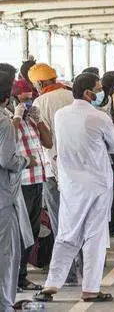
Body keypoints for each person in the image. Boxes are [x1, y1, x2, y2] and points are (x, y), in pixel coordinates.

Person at [34, 73, 114, 303]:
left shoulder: (61, 115)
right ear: (88, 93)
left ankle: (51, 285)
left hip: (70, 185)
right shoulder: (99, 117)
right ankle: (90, 288)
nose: (101, 92)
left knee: (66, 234)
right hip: (98, 184)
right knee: (95, 236)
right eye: (98, 88)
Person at [28, 63, 81, 284]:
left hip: (54, 170)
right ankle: (85, 267)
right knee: (80, 218)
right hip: (80, 168)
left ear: (40, 84)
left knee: (61, 221)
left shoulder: (40, 103)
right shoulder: (72, 97)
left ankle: (67, 273)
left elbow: (46, 141)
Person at [11, 79, 53, 292]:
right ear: (15, 96)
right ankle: (14, 277)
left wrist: (40, 121)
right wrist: (17, 117)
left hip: (38, 179)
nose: (28, 100)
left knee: (33, 230)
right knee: (20, 231)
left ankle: (22, 276)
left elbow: (48, 143)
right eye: (24, 97)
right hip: (22, 182)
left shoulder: (32, 120)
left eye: (31, 96)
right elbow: (8, 141)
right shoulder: (10, 119)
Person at [0, 71, 35, 311]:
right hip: (3, 198)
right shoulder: (4, 123)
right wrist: (26, 160)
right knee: (6, 254)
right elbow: (8, 160)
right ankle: (4, 303)